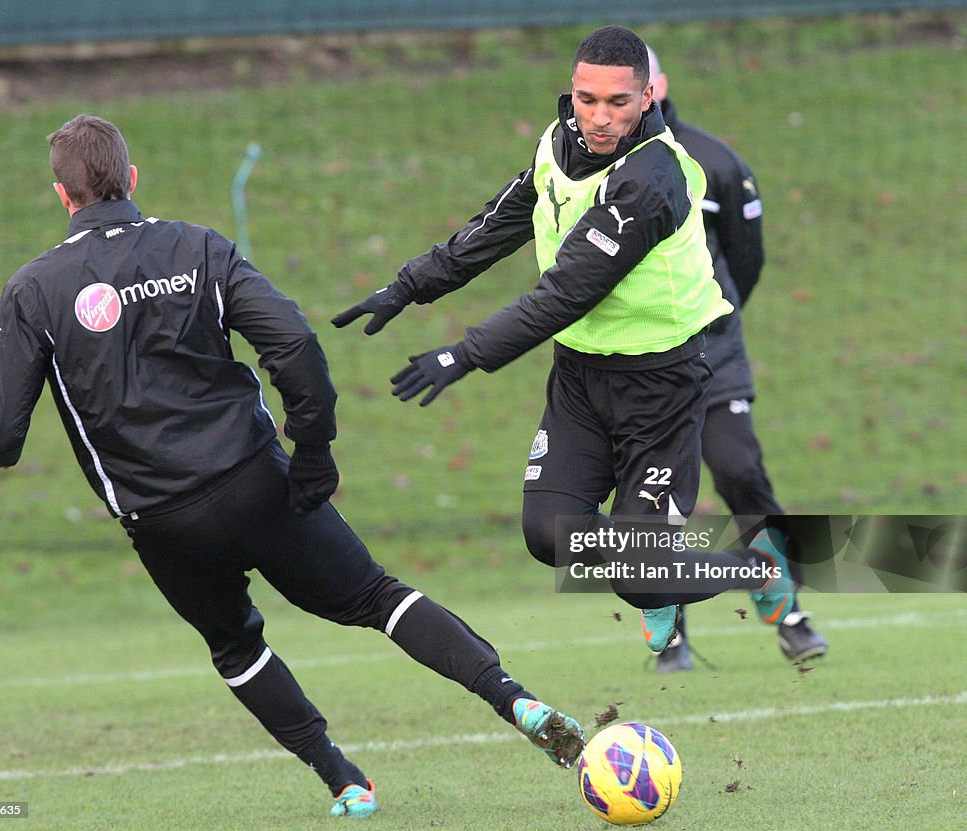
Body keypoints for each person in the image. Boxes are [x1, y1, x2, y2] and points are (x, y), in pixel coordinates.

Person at [0, 114, 586, 820]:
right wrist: (314, 448)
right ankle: (516, 699)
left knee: (234, 645)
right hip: (257, 482)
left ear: (62, 195)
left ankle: (344, 779)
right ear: (131, 179)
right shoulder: (197, 247)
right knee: (379, 599)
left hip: (163, 520)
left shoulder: (33, 290)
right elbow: (292, 343)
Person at [333, 27, 796, 658]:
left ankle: (750, 568)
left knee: (640, 573)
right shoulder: (558, 142)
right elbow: (497, 225)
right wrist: (407, 286)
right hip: (580, 378)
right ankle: (656, 580)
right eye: (587, 99)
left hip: (661, 386)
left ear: (647, 100)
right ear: (570, 94)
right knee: (550, 534)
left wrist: (462, 353)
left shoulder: (653, 177)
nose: (600, 117)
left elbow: (567, 292)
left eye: (618, 103)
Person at [645, 46, 828, 671]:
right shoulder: (590, 168)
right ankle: (671, 634)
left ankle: (788, 614)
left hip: (713, 357)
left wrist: (711, 316)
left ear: (659, 84)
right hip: (637, 367)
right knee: (657, 496)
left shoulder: (717, 161)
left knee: (741, 472)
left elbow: (744, 262)